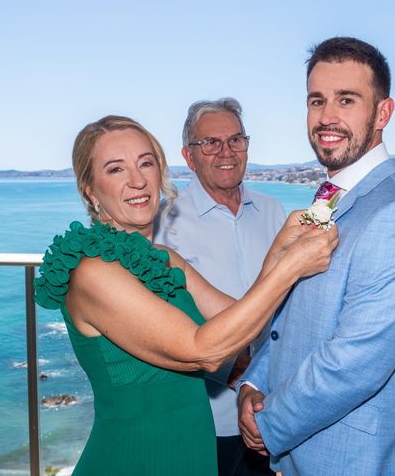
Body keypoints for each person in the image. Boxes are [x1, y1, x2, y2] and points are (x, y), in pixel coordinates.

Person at [34, 115, 338, 475]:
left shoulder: (162, 258)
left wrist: (280, 251)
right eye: (116, 170)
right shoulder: (92, 271)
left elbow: (242, 318)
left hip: (191, 449)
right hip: (135, 459)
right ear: (89, 188)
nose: (138, 180)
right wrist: (290, 269)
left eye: (146, 163)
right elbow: (205, 351)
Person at [237, 37, 395, 475]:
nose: (327, 117)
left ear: (382, 114)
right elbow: (289, 321)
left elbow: (354, 364)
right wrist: (253, 383)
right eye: (317, 100)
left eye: (346, 100)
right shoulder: (331, 197)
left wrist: (268, 423)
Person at [154, 97, 284, 476]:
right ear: (189, 156)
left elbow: (288, 311)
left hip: (271, 414)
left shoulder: (274, 212)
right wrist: (244, 378)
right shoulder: (164, 224)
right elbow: (167, 327)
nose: (225, 151)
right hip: (201, 419)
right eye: (209, 142)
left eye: (235, 140)